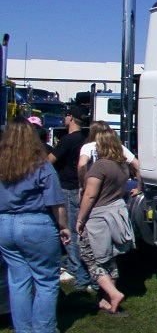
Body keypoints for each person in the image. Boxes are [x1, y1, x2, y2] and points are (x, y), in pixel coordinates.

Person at [0, 117, 71, 333]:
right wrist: (64, 227)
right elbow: (57, 203)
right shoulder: (41, 165)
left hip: (5, 224)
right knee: (46, 281)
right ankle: (43, 329)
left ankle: (23, 328)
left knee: (18, 280)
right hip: (35, 222)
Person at [76, 128, 135, 314]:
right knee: (109, 258)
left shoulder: (100, 166)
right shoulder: (122, 166)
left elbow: (90, 195)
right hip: (115, 215)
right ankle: (107, 299)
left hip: (98, 218)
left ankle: (113, 293)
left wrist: (80, 218)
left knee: (90, 257)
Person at [48, 106, 92, 290]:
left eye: (65, 115)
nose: (64, 118)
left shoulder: (67, 140)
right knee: (79, 230)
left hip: (67, 187)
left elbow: (49, 160)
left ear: (71, 118)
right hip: (80, 187)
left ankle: (78, 273)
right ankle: (78, 267)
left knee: (70, 232)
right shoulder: (85, 140)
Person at [77, 120, 142, 197]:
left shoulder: (88, 147)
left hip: (93, 187)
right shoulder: (119, 147)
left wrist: (82, 184)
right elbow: (137, 165)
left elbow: (82, 165)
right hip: (114, 190)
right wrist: (139, 188)